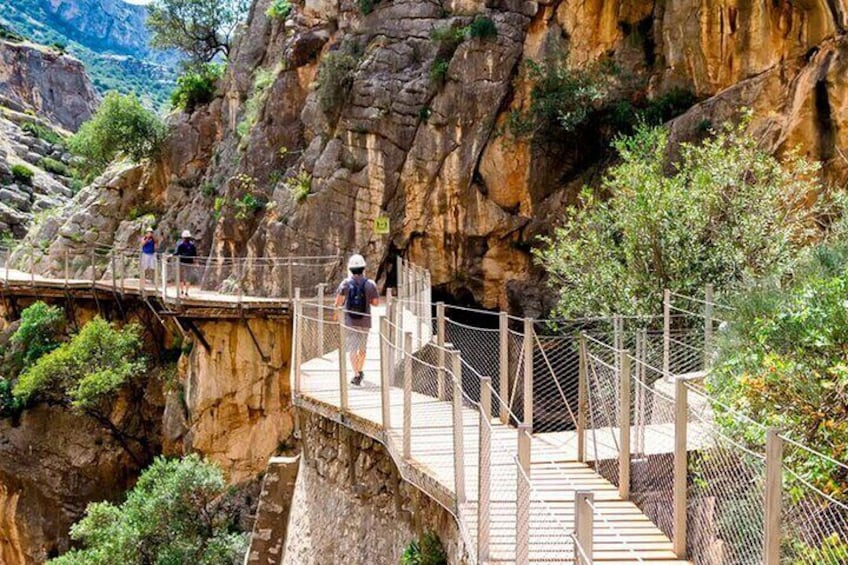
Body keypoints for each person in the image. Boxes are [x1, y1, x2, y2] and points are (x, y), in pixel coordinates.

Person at [335, 254, 379, 386]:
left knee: (352, 349)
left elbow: (338, 302)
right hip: (365, 321)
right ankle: (360, 370)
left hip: (350, 321)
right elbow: (375, 303)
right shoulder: (370, 284)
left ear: (350, 269)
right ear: (363, 268)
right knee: (362, 349)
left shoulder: (345, 283)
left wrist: (336, 315)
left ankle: (356, 374)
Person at [174, 230, 198, 297]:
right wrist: (196, 262)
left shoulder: (181, 245)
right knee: (188, 277)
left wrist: (171, 255)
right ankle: (186, 292)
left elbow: (177, 253)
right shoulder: (192, 245)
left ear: (183, 237)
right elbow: (195, 255)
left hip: (181, 262)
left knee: (181, 277)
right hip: (189, 263)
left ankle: (182, 291)